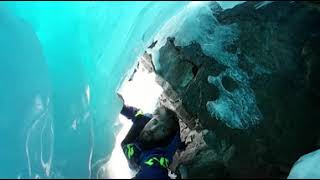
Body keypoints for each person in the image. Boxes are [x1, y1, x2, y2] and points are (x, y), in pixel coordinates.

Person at [117, 93, 185, 179]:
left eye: (162, 130)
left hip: (144, 160)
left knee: (168, 162)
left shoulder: (154, 158)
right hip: (135, 154)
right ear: (151, 119)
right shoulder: (143, 119)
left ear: (165, 137)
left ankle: (176, 170)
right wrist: (119, 105)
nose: (153, 129)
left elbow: (152, 174)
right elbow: (133, 112)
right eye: (155, 122)